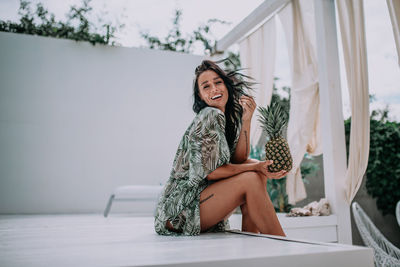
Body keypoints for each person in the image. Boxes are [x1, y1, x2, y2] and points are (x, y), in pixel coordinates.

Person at [154, 59, 287, 236]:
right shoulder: (210, 115)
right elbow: (213, 172)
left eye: (218, 82)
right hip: (178, 211)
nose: (214, 89)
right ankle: (282, 246)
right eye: (206, 86)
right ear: (200, 96)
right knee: (252, 176)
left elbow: (239, 160)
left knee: (255, 172)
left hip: (200, 201)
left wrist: (246, 119)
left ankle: (253, 245)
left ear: (226, 85)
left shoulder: (227, 117)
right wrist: (257, 166)